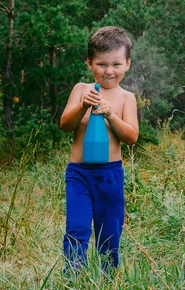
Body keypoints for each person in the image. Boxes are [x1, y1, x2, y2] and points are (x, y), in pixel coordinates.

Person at [59, 26, 139, 272]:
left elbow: (131, 137)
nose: (109, 71)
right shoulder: (81, 90)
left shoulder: (126, 98)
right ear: (90, 63)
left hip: (110, 174)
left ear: (127, 64)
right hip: (79, 174)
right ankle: (74, 276)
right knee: (77, 227)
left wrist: (111, 115)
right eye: (102, 64)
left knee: (110, 230)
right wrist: (82, 106)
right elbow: (65, 125)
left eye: (116, 64)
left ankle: (107, 277)